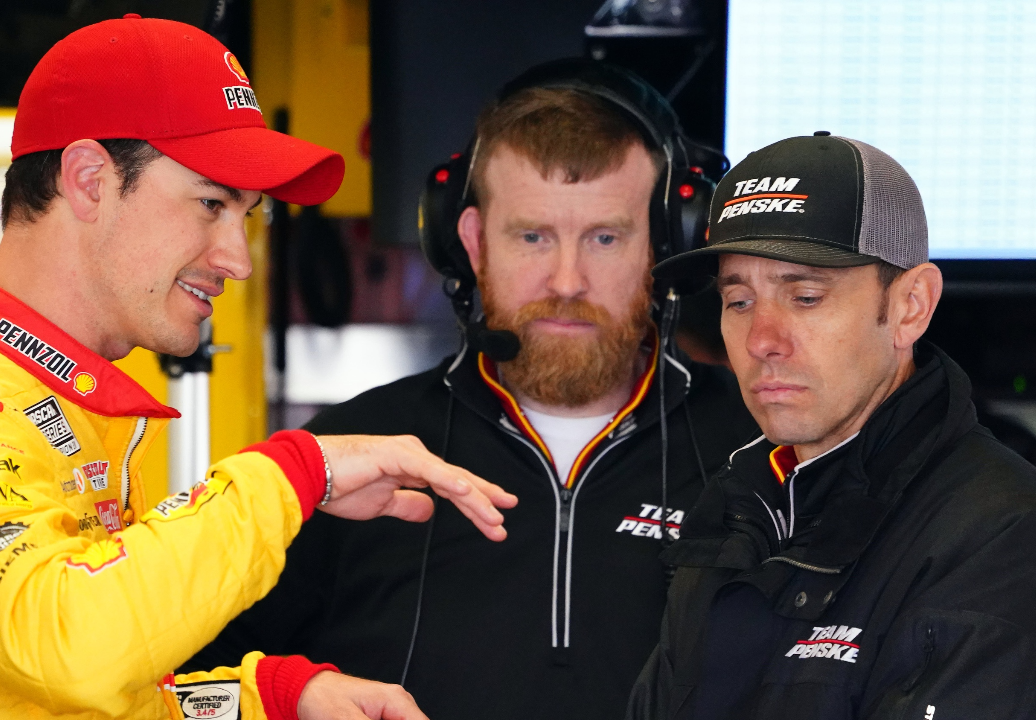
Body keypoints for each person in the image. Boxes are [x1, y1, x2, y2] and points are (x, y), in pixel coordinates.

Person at [0, 16, 519, 720]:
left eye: (245, 216)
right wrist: (292, 474)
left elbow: (60, 693)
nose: (237, 259)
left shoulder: (64, 404)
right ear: (88, 179)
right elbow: (70, 643)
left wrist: (266, 699)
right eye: (210, 204)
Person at [184, 60, 760, 720]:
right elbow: (189, 692)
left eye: (605, 237)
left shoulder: (762, 450)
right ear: (474, 243)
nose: (566, 280)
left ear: (663, 245)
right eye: (533, 237)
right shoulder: (345, 461)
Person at [627, 133, 1036, 720]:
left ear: (911, 305)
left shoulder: (1007, 533)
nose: (763, 339)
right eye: (738, 301)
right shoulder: (734, 505)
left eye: (806, 296)